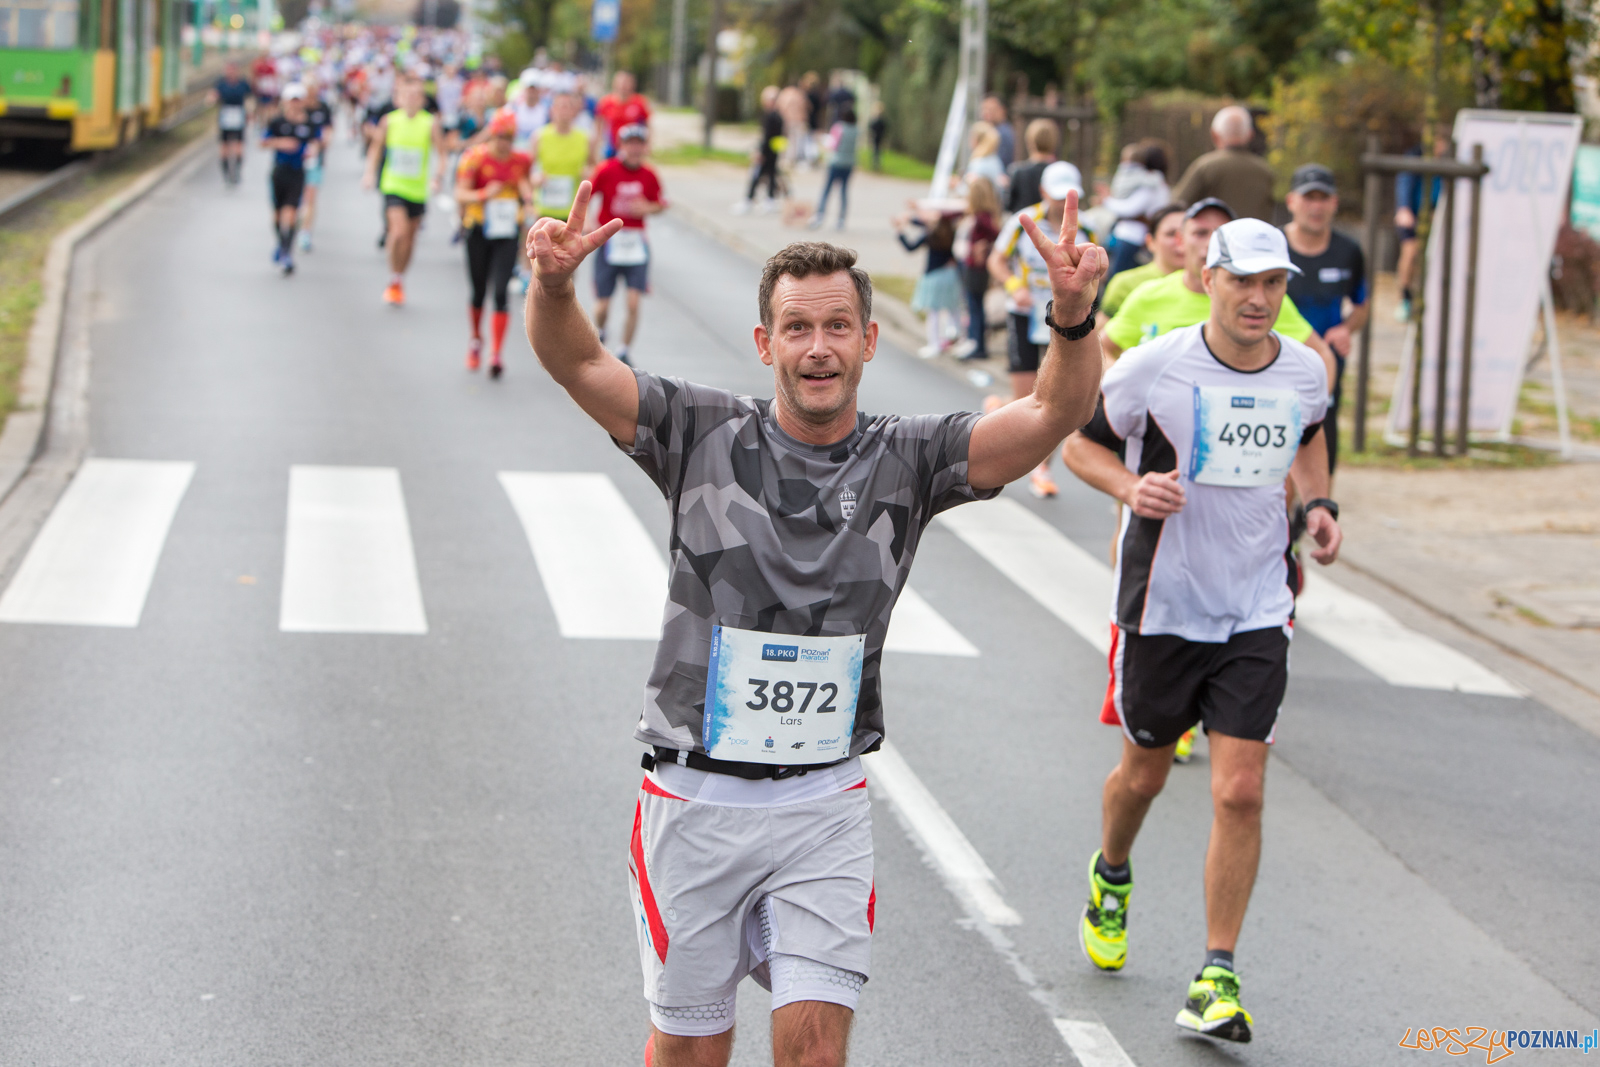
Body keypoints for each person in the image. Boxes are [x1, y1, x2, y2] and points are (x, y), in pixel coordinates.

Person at [522, 179, 1104, 1067]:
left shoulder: (911, 457)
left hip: (820, 801)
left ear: (869, 342)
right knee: (690, 1047)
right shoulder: (701, 431)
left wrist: (1069, 318)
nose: (819, 347)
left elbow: (1053, 413)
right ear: (766, 343)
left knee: (814, 1050)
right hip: (693, 798)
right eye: (798, 328)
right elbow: (580, 365)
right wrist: (556, 288)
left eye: (838, 327)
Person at [1061, 216, 1341, 1044]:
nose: (1258, 298)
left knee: (1239, 787)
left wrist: (1319, 506)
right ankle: (1111, 872)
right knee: (1142, 778)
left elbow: (1312, 437)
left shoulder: (1303, 369)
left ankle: (1217, 971)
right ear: (1209, 276)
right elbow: (1080, 446)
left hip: (1257, 599)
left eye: (1273, 283)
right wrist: (1127, 486)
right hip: (1164, 604)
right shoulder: (1158, 367)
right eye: (1243, 280)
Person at [1101, 199, 1332, 379]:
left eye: (1221, 234)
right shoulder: (1147, 295)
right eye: (1201, 233)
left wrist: (1305, 419)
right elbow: (1100, 352)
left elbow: (1321, 356)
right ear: (1181, 240)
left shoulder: (1261, 301)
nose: (1211, 242)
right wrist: (1125, 392)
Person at [988, 161, 1096, 498]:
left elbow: (1093, 275)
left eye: (1068, 197)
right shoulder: (1023, 223)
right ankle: (1001, 404)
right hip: (1024, 312)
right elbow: (996, 259)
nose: (1062, 204)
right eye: (1056, 196)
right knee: (1025, 398)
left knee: (1052, 401)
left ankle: (1042, 468)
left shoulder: (1087, 229)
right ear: (1043, 192)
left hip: (1059, 317)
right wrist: (1013, 286)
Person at [1283, 164, 1367, 473]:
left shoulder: (1349, 251)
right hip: (1276, 359)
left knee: (1322, 431)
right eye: (1309, 198)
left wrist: (1345, 329)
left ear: (1334, 203)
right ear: (1292, 201)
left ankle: (1316, 509)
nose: (1315, 207)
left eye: (1323, 198)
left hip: (1324, 363)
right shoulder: (1274, 248)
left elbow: (1362, 304)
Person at [456, 110, 535, 377]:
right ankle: (477, 338)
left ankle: (496, 354)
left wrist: (527, 195)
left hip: (507, 231)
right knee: (479, 290)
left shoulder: (521, 160)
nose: (504, 143)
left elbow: (524, 181)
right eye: (501, 136)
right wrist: (481, 194)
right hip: (478, 229)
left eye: (510, 137)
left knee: (500, 292)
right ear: (492, 134)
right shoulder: (474, 158)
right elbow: (459, 193)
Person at [363, 72, 447, 306]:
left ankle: (399, 278)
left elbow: (442, 155)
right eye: (407, 95)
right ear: (399, 98)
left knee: (409, 240)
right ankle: (392, 276)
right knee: (397, 232)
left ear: (422, 100)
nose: (411, 99)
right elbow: (375, 149)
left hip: (418, 190)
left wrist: (438, 177)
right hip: (393, 185)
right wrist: (369, 174)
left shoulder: (430, 124)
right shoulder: (389, 121)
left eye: (416, 96)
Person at [589, 125, 666, 366]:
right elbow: (587, 194)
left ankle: (623, 350)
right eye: (629, 143)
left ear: (644, 147)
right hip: (609, 242)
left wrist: (648, 208)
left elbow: (660, 203)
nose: (634, 149)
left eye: (638, 144)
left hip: (635, 244)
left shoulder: (649, 174)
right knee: (602, 304)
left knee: (633, 301)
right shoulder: (607, 170)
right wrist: (590, 224)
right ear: (621, 146)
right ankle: (600, 331)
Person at [1171, 106, 1275, 223]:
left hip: (1215, 238)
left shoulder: (1205, 166)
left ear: (1214, 134)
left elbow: (1177, 205)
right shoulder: (1265, 170)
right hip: (1255, 239)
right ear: (1251, 135)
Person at [261, 85, 319, 276]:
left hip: (298, 172)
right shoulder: (277, 122)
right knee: (277, 215)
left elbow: (316, 143)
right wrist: (281, 144)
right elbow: (263, 142)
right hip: (279, 171)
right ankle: (281, 243)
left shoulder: (309, 124)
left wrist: (312, 152)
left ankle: (286, 252)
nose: (295, 104)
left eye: (298, 100)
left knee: (291, 213)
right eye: (291, 100)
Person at [1393, 135, 1448, 323]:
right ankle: (1405, 298)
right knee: (1410, 252)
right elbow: (1404, 183)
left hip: (1435, 217)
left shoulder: (1447, 162)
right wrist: (1404, 208)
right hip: (1413, 216)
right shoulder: (1415, 158)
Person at [895, 206, 963, 359]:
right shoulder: (951, 231)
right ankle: (954, 333)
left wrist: (900, 231)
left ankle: (935, 344)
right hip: (950, 274)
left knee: (933, 312)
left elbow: (910, 247)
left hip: (934, 276)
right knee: (953, 307)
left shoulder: (930, 234)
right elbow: (921, 222)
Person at [1100, 141, 1170, 279]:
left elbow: (1130, 209)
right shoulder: (1158, 184)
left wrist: (1107, 200)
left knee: (1118, 279)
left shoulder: (1150, 186)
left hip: (1131, 239)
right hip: (1140, 238)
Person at [1101, 203, 1185, 318]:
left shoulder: (1207, 286)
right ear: (1150, 241)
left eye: (1186, 234)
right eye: (1170, 234)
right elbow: (1099, 333)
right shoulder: (1125, 284)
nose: (1180, 242)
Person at [530, 89, 591, 223]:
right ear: (552, 110)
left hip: (572, 211)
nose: (564, 111)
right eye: (560, 106)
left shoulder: (585, 138)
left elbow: (594, 168)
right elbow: (528, 172)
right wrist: (535, 179)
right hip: (544, 208)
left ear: (574, 111)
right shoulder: (539, 136)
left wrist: (588, 173)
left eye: (568, 106)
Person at [958, 175, 1002, 360]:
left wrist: (984, 245)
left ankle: (978, 344)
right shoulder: (984, 216)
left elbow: (997, 234)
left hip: (976, 268)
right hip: (975, 267)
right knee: (975, 305)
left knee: (975, 305)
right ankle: (976, 342)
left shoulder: (982, 218)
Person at [297, 77, 334, 252]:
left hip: (315, 160)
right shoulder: (297, 107)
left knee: (310, 195)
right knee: (298, 196)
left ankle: (306, 231)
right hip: (295, 162)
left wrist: (321, 143)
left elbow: (328, 131)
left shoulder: (323, 108)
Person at [736, 86, 784, 215]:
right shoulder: (777, 116)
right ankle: (770, 199)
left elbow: (768, 137)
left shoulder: (772, 116)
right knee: (771, 176)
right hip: (773, 151)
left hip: (768, 152)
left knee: (758, 177)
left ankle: (750, 200)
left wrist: (760, 152)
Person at [810, 105, 858, 230]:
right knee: (843, 191)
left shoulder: (839, 128)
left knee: (827, 190)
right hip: (849, 163)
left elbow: (832, 145)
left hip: (836, 162)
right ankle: (841, 219)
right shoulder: (856, 130)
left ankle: (820, 215)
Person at [209, 61, 252, 184]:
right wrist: (212, 99)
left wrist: (249, 112)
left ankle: (237, 170)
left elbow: (249, 97)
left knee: (239, 145)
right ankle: (226, 171)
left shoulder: (243, 83)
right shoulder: (221, 83)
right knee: (224, 146)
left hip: (239, 114)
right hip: (225, 115)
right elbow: (214, 95)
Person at [1006, 118, 1059, 214]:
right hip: (1048, 227)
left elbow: (1009, 205)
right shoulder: (1058, 172)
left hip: (1022, 224)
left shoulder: (1018, 172)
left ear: (1030, 141)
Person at [596, 70, 652, 161]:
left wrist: (647, 144)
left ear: (632, 84)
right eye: (621, 82)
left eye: (626, 82)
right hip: (612, 147)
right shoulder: (606, 102)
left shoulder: (639, 102)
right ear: (614, 83)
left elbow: (647, 125)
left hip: (632, 148)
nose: (623, 86)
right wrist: (599, 143)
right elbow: (599, 124)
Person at [959, 122, 1007, 199]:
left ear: (976, 139)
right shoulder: (996, 160)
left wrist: (957, 186)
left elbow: (968, 191)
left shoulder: (977, 163)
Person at [980, 94, 1016, 169]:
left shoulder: (1003, 133)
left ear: (1003, 110)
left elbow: (1001, 163)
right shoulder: (993, 131)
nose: (986, 113)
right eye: (984, 109)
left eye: (991, 109)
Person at [867, 102, 887, 173]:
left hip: (878, 136)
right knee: (876, 150)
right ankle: (875, 163)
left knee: (876, 150)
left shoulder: (879, 120)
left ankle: (876, 163)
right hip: (877, 136)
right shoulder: (878, 119)